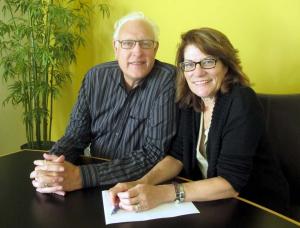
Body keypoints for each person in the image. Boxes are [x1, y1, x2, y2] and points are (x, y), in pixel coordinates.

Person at [109, 28, 290, 215]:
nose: (198, 72)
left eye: (208, 62)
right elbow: (177, 156)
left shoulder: (241, 101)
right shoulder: (191, 100)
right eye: (189, 64)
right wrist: (141, 183)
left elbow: (231, 183)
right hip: (216, 206)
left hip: (258, 208)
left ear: (226, 65)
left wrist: (161, 193)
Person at [29, 12, 177, 196]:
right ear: (116, 48)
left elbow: (154, 153)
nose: (137, 51)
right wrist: (52, 165)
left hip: (140, 186)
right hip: (92, 180)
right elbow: (75, 136)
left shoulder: (168, 80)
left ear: (155, 49)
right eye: (128, 43)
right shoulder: (95, 77)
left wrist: (80, 177)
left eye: (146, 43)